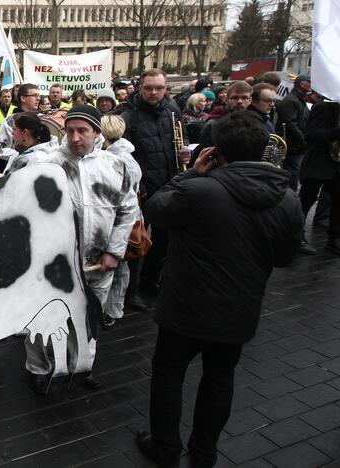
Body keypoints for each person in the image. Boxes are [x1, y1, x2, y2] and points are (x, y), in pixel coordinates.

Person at [136, 111, 301, 467]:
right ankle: (204, 451)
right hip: (240, 308)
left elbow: (154, 210)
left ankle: (165, 448)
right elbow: (287, 257)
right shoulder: (288, 198)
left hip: (185, 308)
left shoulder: (198, 189)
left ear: (215, 151)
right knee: (219, 379)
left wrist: (189, 174)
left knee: (168, 375)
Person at [26, 105, 138, 393]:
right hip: (54, 264)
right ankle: (39, 367)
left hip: (98, 264)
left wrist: (114, 251)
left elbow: (128, 210)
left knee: (88, 317)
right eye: (70, 130)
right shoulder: (46, 164)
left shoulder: (115, 165)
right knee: (43, 316)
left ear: (96, 133)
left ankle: (81, 363)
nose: (75, 137)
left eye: (82, 131)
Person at [120, 69, 184, 295]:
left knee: (163, 239)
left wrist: (183, 156)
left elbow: (178, 142)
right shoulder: (128, 117)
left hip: (170, 183)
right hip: (143, 190)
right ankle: (132, 290)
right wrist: (140, 188)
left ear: (166, 88)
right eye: (148, 88)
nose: (154, 92)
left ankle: (151, 281)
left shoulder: (173, 111)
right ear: (140, 88)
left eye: (159, 88)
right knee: (138, 240)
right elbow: (124, 159)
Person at [100, 115, 142, 328]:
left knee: (116, 267)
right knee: (120, 266)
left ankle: (111, 310)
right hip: (125, 218)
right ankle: (114, 309)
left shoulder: (115, 159)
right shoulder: (125, 155)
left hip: (118, 219)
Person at [300, 100, 340, 255]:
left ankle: (333, 240)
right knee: (305, 202)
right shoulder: (324, 106)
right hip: (318, 164)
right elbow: (311, 135)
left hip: (335, 164)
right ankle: (296, 238)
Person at [191, 81, 254, 164]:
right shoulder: (213, 124)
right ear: (227, 100)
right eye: (235, 97)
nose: (239, 101)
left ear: (250, 100)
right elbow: (203, 156)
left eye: (244, 98)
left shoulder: (253, 122)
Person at [0, 84, 41, 170]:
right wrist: (23, 156)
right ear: (23, 98)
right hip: (18, 170)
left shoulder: (42, 118)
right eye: (34, 95)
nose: (38, 98)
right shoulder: (12, 120)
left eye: (38, 95)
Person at [277, 75, 311, 190]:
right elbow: (290, 124)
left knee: (294, 172)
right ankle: (289, 196)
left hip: (297, 145)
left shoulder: (299, 100)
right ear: (302, 84)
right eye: (309, 82)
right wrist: (303, 139)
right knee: (292, 173)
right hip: (293, 145)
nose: (312, 85)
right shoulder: (291, 101)